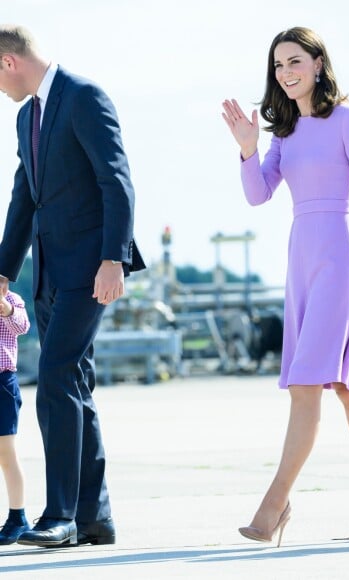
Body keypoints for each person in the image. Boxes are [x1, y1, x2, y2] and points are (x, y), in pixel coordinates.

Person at [222, 26, 349, 546]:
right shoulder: (284, 133)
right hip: (301, 259)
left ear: (319, 64)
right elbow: (259, 195)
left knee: (306, 386)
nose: (286, 72)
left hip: (340, 258)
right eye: (278, 65)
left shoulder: (348, 117)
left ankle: (274, 503)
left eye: (295, 61)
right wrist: (247, 149)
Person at [0, 25, 145, 548]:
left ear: (8, 62)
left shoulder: (84, 97)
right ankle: (94, 517)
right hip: (48, 274)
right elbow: (24, 198)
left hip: (91, 268)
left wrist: (114, 258)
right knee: (75, 386)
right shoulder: (25, 118)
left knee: (57, 377)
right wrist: (2, 271)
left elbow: (116, 179)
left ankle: (58, 515)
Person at [0, 289, 31, 545]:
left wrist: (6, 308)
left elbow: (22, 326)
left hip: (3, 381)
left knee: (5, 452)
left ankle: (18, 516)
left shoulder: (12, 299)